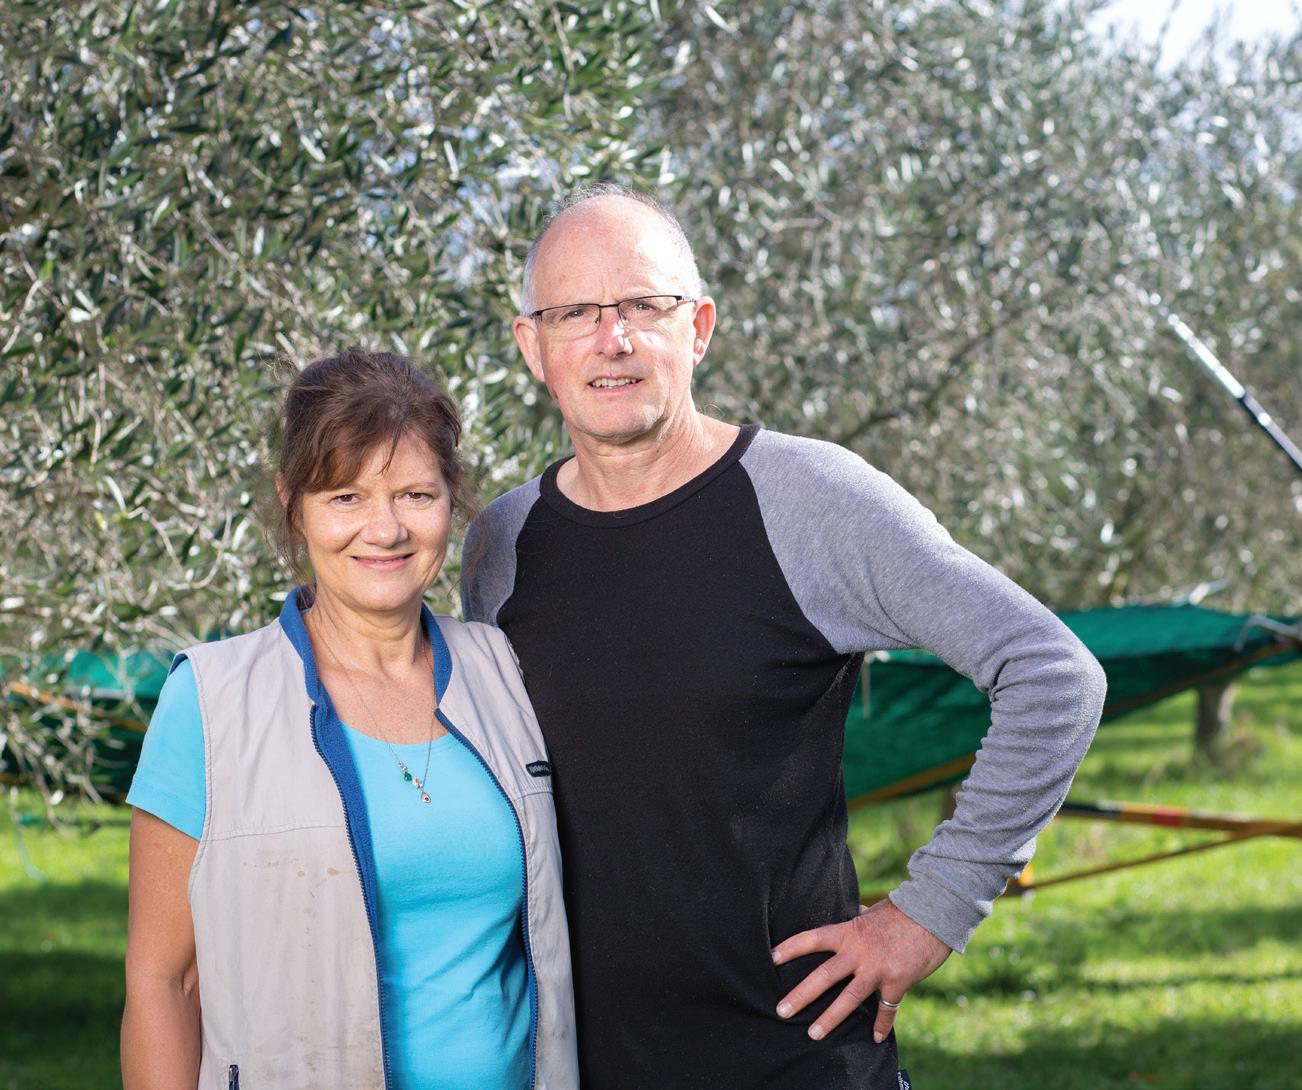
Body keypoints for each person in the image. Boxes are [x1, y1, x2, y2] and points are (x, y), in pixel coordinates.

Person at [461, 184, 1106, 1089]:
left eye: (644, 305)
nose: (614, 340)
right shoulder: (504, 544)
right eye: (576, 313)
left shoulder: (807, 501)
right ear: (532, 346)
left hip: (798, 1063)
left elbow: (1052, 674)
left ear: (699, 328)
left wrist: (930, 913)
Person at [122, 350, 576, 1090]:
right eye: (346, 497)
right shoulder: (208, 700)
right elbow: (163, 983)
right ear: (292, 505)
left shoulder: (504, 670)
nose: (385, 529)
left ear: (451, 500)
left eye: (416, 495)